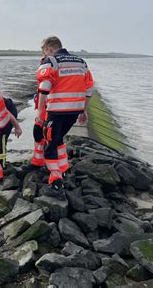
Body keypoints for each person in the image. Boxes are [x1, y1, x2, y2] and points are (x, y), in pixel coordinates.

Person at [36, 36, 94, 196]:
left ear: (48, 48)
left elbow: (44, 87)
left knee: (49, 144)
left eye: (43, 51)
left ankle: (55, 181)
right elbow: (89, 89)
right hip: (74, 111)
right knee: (58, 139)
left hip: (56, 111)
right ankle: (63, 168)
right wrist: (84, 110)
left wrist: (39, 112)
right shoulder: (81, 62)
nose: (44, 54)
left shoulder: (51, 61)